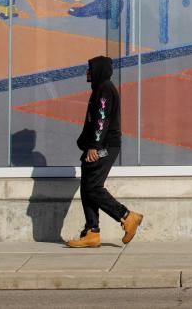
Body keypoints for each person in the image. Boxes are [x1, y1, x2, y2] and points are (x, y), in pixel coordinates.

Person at [65, 55, 143, 248]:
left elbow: (102, 119)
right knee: (87, 185)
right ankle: (92, 231)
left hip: (105, 147)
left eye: (89, 69)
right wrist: (86, 142)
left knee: (93, 187)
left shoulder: (105, 89)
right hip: (99, 145)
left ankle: (127, 216)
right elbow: (94, 121)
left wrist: (94, 146)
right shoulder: (100, 89)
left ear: (98, 70)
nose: (87, 72)